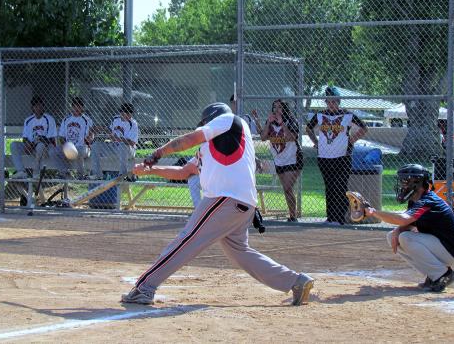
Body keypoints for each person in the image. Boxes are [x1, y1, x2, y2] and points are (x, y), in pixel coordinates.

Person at [121, 102, 314, 306]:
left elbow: (191, 138)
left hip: (225, 200)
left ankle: (145, 287)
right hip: (238, 204)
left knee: (186, 240)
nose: (203, 128)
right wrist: (150, 171)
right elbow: (184, 172)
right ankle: (296, 281)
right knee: (240, 253)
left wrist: (158, 152)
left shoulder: (230, 120)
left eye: (205, 124)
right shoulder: (208, 149)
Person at [364, 164, 454, 292]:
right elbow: (410, 223)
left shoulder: (427, 201)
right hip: (442, 246)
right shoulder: (416, 200)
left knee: (406, 238)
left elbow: (403, 219)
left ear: (417, 182)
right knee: (393, 236)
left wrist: (374, 212)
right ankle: (433, 274)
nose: (402, 185)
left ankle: (442, 275)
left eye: (405, 181)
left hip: (451, 249)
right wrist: (398, 230)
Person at [306, 86, 368, 225]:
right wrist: (315, 142)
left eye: (334, 101)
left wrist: (351, 140)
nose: (331, 104)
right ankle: (330, 217)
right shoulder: (320, 115)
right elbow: (308, 128)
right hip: (324, 157)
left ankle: (339, 219)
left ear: (338, 101)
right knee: (329, 187)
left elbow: (364, 128)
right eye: (328, 101)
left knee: (340, 186)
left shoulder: (347, 115)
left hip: (343, 157)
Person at [251, 99, 303, 222]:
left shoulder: (291, 121)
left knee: (287, 187)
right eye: (274, 107)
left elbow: (291, 137)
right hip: (279, 160)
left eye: (279, 107)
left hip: (293, 159)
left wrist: (282, 123)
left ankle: (293, 216)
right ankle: (292, 215)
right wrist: (267, 122)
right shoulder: (271, 122)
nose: (276, 110)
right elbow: (263, 137)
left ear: (284, 109)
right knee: (287, 189)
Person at [10, 96, 57, 179]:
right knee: (14, 145)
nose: (38, 108)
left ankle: (36, 172)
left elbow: (51, 139)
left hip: (45, 148)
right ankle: (21, 171)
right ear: (32, 108)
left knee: (40, 145)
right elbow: (25, 138)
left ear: (43, 106)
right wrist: (27, 143)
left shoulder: (49, 119)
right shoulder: (28, 120)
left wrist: (37, 141)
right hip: (31, 147)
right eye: (36, 106)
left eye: (40, 105)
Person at [90, 103, 138, 180]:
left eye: (130, 114)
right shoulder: (115, 119)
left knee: (122, 146)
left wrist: (118, 139)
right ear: (122, 112)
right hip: (115, 147)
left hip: (129, 150)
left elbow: (132, 142)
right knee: (96, 145)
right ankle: (97, 174)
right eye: (127, 113)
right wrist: (102, 128)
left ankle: (123, 175)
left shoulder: (133, 123)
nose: (129, 116)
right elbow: (110, 131)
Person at [50, 97, 94, 179]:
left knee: (77, 150)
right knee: (53, 151)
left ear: (82, 107)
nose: (77, 108)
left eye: (79, 106)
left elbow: (89, 138)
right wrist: (66, 145)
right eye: (75, 106)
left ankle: (80, 175)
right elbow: (62, 137)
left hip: (83, 148)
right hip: (69, 147)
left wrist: (89, 138)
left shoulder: (87, 120)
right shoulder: (66, 119)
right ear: (72, 107)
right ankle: (65, 173)